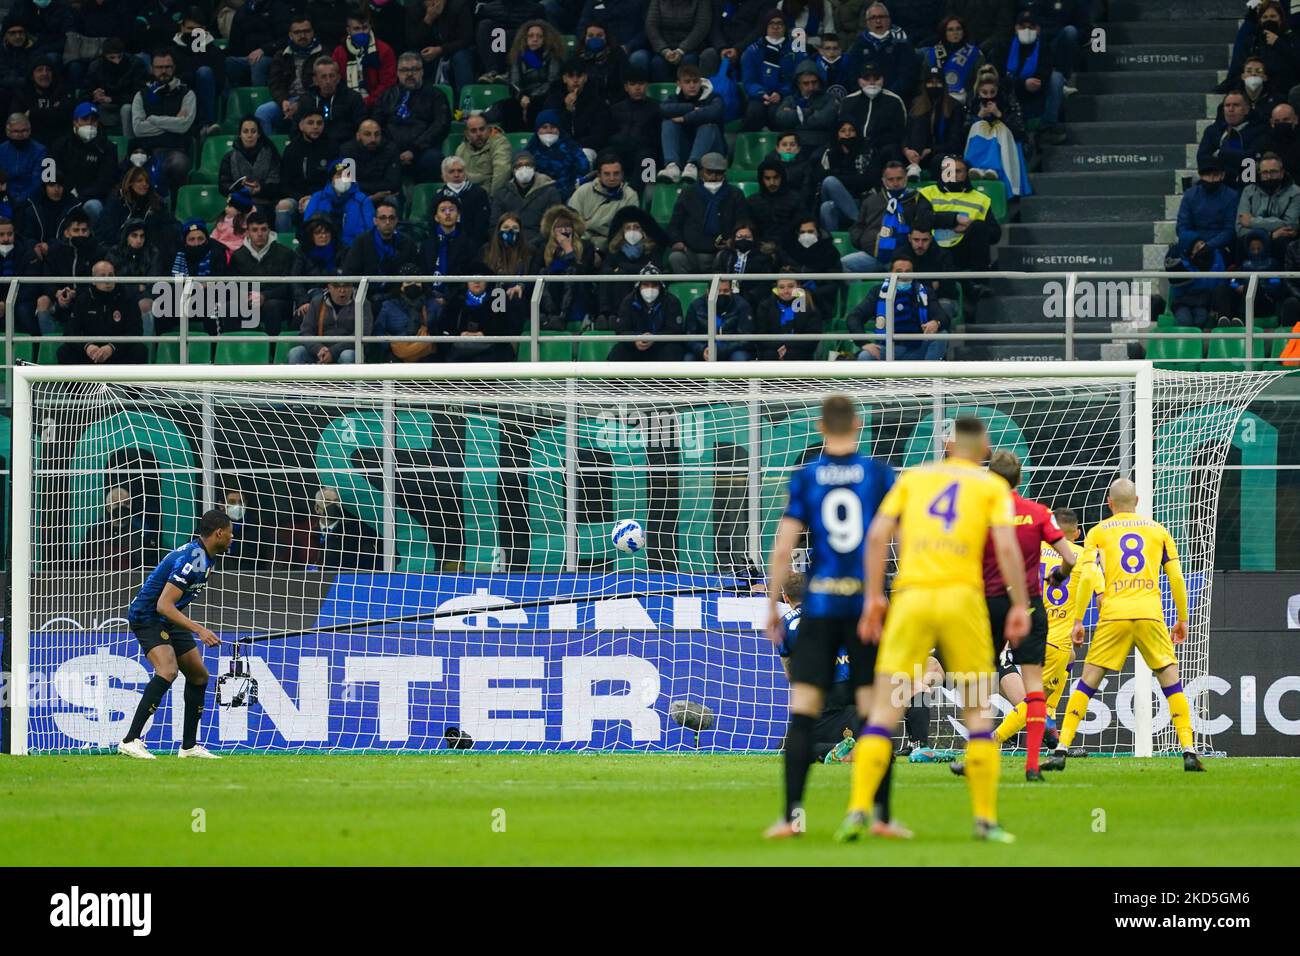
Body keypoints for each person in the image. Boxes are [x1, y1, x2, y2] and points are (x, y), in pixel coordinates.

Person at [843, 415, 1028, 843]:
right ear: (982, 450)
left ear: (946, 445)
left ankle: (857, 810)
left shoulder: (914, 478)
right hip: (963, 601)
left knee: (885, 709)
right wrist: (1019, 604)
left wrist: (874, 596)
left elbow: (876, 538)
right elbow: (1004, 546)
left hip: (911, 598)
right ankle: (984, 820)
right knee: (978, 713)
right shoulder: (991, 488)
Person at [763, 394, 900, 839]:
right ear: (858, 426)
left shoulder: (806, 477)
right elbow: (886, 537)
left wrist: (771, 605)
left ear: (821, 428)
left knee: (802, 710)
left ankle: (791, 819)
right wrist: (880, 596)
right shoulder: (877, 475)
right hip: (861, 606)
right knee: (871, 711)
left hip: (819, 607)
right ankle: (880, 818)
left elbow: (784, 546)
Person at [1045, 478, 1202, 773]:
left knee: (1087, 681)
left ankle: (1062, 749)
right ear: (1138, 501)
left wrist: (1078, 620)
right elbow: (1177, 578)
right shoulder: (1158, 531)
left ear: (1109, 503)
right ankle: (1188, 749)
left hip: (1114, 614)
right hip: (1149, 613)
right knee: (1171, 679)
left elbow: (1089, 577)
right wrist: (1182, 618)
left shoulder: (1098, 532)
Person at [942, 450, 1077, 781]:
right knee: (1033, 689)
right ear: (1019, 479)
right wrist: (1058, 576)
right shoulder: (1038, 513)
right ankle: (1032, 767)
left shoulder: (980, 514)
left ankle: (976, 756)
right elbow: (1070, 558)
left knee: (977, 682)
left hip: (989, 604)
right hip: (1029, 604)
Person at [118, 508, 234, 760]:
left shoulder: (207, 557)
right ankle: (130, 740)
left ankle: (189, 747)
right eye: (230, 533)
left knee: (199, 675)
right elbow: (163, 604)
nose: (232, 537)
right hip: (148, 615)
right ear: (218, 533)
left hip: (168, 618)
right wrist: (200, 629)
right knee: (168, 670)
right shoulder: (194, 560)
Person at [986, 506, 1094, 756]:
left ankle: (1055, 743)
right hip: (1053, 638)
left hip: (1026, 633)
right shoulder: (1081, 556)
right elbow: (1094, 586)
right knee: (1034, 701)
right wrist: (1079, 620)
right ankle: (993, 740)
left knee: (1068, 662)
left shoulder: (1032, 553)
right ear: (1076, 534)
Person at [983, 7, 1064, 145]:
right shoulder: (1003, 47)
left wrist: (1033, 84)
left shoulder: (1044, 48)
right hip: (1007, 98)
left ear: (1038, 29)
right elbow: (996, 78)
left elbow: (1043, 76)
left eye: (1031, 27)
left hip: (1035, 96)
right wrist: (1022, 84)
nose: (1027, 30)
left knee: (1056, 78)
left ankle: (1046, 129)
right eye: (1022, 26)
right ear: (1016, 28)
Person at [53, 259, 146, 364]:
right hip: (90, 353)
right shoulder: (83, 300)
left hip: (117, 352)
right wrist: (87, 347)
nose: (107, 280)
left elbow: (135, 331)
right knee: (64, 352)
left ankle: (124, 381)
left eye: (111, 275)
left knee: (139, 350)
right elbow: (70, 331)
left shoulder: (128, 298)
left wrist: (112, 348)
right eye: (102, 276)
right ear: (93, 280)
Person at [376, 52, 450, 185]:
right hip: (391, 151)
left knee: (433, 159)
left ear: (422, 72)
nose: (410, 74)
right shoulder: (387, 95)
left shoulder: (435, 95)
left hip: (422, 151)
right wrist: (392, 150)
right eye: (404, 70)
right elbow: (377, 124)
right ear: (397, 73)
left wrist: (414, 149)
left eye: (414, 69)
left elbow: (440, 125)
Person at [130, 50, 197, 192]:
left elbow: (183, 126)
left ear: (174, 68)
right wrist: (173, 122)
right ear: (152, 69)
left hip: (175, 150)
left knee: (179, 163)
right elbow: (138, 128)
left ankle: (175, 205)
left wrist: (153, 119)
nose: (164, 71)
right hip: (146, 151)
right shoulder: (141, 95)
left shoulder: (187, 94)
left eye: (168, 67)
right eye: (159, 68)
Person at [667, 151, 745, 273]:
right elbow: (675, 223)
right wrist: (677, 241)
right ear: (701, 172)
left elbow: (742, 222)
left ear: (724, 173)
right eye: (709, 172)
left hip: (722, 252)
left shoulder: (735, 194)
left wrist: (733, 240)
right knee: (676, 258)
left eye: (718, 173)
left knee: (730, 259)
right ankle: (689, 291)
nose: (713, 177)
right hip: (691, 251)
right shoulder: (688, 193)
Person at [962, 66, 1030, 197]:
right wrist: (978, 116)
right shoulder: (972, 102)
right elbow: (963, 132)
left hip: (1007, 139)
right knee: (979, 125)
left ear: (998, 91)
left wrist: (1000, 115)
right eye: (984, 93)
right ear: (978, 92)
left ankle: (993, 168)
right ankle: (976, 168)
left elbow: (1020, 130)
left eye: (992, 92)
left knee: (999, 128)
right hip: (980, 134)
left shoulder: (1007, 101)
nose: (988, 97)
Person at [227, 211, 297, 335]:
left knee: (271, 306)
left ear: (269, 230)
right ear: (247, 232)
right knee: (229, 307)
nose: (260, 234)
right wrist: (247, 296)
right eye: (255, 230)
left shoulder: (285, 253)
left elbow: (289, 286)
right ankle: (231, 349)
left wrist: (265, 296)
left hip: (278, 302)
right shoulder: (238, 256)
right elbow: (232, 285)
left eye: (263, 229)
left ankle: (273, 350)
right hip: (248, 301)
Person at [341, 198, 419, 306]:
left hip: (398, 298)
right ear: (375, 221)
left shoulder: (407, 243)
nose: (387, 222)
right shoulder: (361, 242)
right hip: (365, 297)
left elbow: (413, 274)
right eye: (383, 218)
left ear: (396, 220)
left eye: (391, 218)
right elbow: (349, 273)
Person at [843, 160, 917, 272]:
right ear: (883, 180)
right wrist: (862, 241)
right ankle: (860, 290)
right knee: (842, 264)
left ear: (906, 178)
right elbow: (858, 226)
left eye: (899, 178)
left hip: (902, 259)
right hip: (871, 254)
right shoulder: (870, 201)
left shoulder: (916, 199)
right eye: (891, 179)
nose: (896, 183)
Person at [657, 62, 725, 184]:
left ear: (701, 82)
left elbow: (713, 112)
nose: (692, 85)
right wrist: (691, 108)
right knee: (668, 122)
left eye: (695, 81)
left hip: (712, 151)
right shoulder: (674, 99)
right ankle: (672, 166)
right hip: (686, 149)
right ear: (679, 84)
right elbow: (662, 110)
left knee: (708, 125)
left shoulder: (714, 97)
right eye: (687, 82)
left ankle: (692, 165)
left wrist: (685, 118)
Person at [50, 103, 117, 224]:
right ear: (75, 122)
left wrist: (80, 195)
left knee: (94, 207)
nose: (90, 124)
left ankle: (97, 240)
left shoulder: (108, 148)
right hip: (63, 195)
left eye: (94, 120)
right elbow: (51, 173)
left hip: (92, 198)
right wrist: (66, 191)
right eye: (85, 119)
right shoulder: (60, 145)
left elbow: (106, 181)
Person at [495, 19, 565, 132]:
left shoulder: (552, 57)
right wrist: (522, 96)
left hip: (544, 96)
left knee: (539, 105)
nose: (535, 39)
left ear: (545, 39)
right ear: (525, 39)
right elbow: (514, 82)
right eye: (531, 36)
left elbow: (552, 82)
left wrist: (531, 97)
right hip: (523, 97)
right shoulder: (519, 56)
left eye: (539, 36)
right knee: (509, 105)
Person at [259, 15, 324, 134]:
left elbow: (323, 87)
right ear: (290, 35)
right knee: (263, 112)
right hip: (287, 100)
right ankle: (268, 150)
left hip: (313, 101)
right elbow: (275, 83)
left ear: (313, 32)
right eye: (297, 32)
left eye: (306, 31)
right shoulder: (281, 55)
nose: (302, 36)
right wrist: (283, 100)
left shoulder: (323, 55)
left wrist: (301, 104)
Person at [567, 152, 640, 252]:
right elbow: (570, 221)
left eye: (616, 173)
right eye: (606, 174)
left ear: (622, 174)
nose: (612, 178)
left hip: (609, 246)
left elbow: (625, 230)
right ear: (598, 175)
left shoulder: (630, 195)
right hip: (579, 242)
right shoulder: (583, 191)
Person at [609, 265, 686, 360]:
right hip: (635, 346)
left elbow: (675, 330)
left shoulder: (671, 301)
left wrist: (655, 338)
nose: (650, 289)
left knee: (673, 350)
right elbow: (621, 330)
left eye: (654, 285)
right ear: (639, 285)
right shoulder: (628, 301)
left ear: (661, 286)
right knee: (619, 351)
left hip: (661, 346)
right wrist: (635, 339)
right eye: (645, 284)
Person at [290, 278, 374, 365]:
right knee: (296, 353)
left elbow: (363, 333)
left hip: (346, 350)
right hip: (320, 352)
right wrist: (318, 349)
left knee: (347, 356)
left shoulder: (362, 304)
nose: (342, 290)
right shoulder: (317, 302)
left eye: (346, 286)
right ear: (329, 287)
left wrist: (333, 352)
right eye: (337, 286)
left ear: (352, 287)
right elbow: (305, 332)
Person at [904, 65, 967, 181]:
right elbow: (906, 132)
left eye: (938, 82)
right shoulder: (916, 104)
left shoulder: (954, 107)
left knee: (939, 161)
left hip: (943, 152)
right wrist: (907, 150)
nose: (934, 86)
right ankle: (914, 166)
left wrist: (932, 150)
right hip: (917, 153)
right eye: (930, 82)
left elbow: (955, 142)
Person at [440, 275, 524, 361]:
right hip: (460, 350)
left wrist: (485, 335)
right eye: (472, 277)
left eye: (481, 277)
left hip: (490, 349)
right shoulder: (456, 299)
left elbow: (505, 329)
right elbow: (445, 328)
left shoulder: (498, 298)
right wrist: (460, 335)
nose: (477, 281)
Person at [815, 119, 879, 232]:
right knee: (830, 182)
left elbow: (867, 181)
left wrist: (839, 177)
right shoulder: (829, 153)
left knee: (827, 207)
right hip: (831, 195)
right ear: (837, 134)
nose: (847, 134)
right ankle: (859, 224)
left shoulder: (866, 152)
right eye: (843, 131)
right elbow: (822, 178)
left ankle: (835, 245)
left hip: (858, 200)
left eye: (851, 130)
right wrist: (849, 180)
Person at [1235, 151, 1300, 261]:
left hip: (1281, 242)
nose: (1269, 176)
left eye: (1274, 172)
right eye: (1265, 172)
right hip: (1258, 239)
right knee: (1241, 242)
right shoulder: (1248, 191)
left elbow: (1290, 227)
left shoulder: (1296, 192)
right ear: (1260, 174)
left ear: (1282, 172)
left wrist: (1252, 222)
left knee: (1283, 241)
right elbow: (1240, 228)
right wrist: (1271, 235)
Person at [542, 54, 613, 154]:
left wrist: (575, 146)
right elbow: (548, 127)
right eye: (571, 76)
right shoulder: (554, 99)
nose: (575, 80)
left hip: (586, 148)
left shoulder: (596, 99)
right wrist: (567, 111)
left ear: (585, 78)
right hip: (559, 147)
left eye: (579, 76)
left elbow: (600, 134)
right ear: (564, 78)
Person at [490, 150, 563, 247]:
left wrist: (533, 244)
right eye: (519, 165)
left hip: (539, 245)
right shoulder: (502, 193)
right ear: (513, 170)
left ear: (534, 168)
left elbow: (553, 224)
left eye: (528, 165)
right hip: (508, 242)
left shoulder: (550, 192)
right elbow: (494, 224)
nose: (524, 168)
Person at [278, 108, 333, 234]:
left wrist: (314, 197)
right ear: (301, 126)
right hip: (296, 197)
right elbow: (285, 184)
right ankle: (285, 245)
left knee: (311, 205)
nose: (315, 127)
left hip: (323, 196)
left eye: (319, 123)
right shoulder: (291, 149)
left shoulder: (331, 148)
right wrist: (300, 197)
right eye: (310, 123)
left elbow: (334, 181)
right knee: (282, 207)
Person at [740, 9, 796, 131]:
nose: (775, 27)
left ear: (785, 27)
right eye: (771, 24)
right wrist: (762, 94)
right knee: (753, 112)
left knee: (778, 113)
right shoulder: (752, 51)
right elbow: (749, 81)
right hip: (759, 95)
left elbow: (795, 79)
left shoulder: (794, 51)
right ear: (765, 26)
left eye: (779, 24)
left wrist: (780, 93)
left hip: (784, 95)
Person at [1197, 91, 1266, 190]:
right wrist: (1237, 156)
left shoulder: (1259, 131)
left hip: (1247, 186)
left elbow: (1250, 160)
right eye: (1227, 105)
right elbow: (1202, 159)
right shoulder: (1212, 131)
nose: (1231, 109)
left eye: (1236, 105)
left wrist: (1221, 153)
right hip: (1215, 185)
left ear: (1247, 109)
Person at [331, 9, 397, 111]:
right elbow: (335, 81)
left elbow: (388, 83)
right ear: (348, 30)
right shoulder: (339, 53)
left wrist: (367, 101)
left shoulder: (384, 50)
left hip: (377, 104)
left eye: (365, 28)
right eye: (356, 29)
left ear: (370, 27)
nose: (361, 32)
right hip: (346, 104)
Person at [302, 159, 377, 247]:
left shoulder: (363, 201)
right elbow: (308, 227)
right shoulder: (317, 198)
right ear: (331, 179)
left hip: (353, 250)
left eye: (346, 175)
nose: (343, 178)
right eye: (339, 174)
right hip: (325, 248)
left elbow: (371, 230)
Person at [1175, 154, 1238, 260]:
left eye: (1215, 175)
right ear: (1201, 176)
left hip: (1220, 246)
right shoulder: (1190, 195)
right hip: (1192, 244)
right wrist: (1195, 243)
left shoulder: (1231, 196)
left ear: (1222, 175)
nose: (1211, 179)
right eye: (1207, 175)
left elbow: (1229, 230)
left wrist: (1208, 246)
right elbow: (1182, 227)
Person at [406, 0, 476, 93]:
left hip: (454, 50)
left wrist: (441, 50)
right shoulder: (413, 9)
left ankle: (466, 99)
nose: (434, 2)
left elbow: (466, 39)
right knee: (412, 57)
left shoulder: (459, 6)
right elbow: (413, 41)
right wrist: (428, 19)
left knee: (461, 57)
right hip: (426, 52)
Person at [301, 56, 367, 153]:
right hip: (314, 150)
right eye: (323, 77)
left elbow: (361, 128)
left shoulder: (353, 98)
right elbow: (297, 128)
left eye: (331, 76)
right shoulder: (307, 100)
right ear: (315, 80)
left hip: (345, 150)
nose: (328, 81)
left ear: (338, 78)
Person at [219, 117, 283, 217]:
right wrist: (242, 188)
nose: (249, 135)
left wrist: (261, 188)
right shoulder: (229, 158)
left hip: (266, 204)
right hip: (238, 204)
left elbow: (277, 184)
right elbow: (223, 186)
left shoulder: (271, 155)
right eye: (245, 131)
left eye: (253, 131)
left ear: (258, 134)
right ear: (240, 134)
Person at [375, 268, 442, 362]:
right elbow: (378, 332)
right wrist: (391, 346)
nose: (413, 285)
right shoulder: (389, 306)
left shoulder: (432, 303)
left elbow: (439, 329)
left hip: (427, 354)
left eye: (417, 282)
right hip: (396, 355)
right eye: (408, 282)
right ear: (401, 286)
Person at [639, 0, 714, 83]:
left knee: (688, 61)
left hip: (692, 48)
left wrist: (681, 50)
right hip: (664, 48)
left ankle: (686, 94)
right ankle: (665, 94)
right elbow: (651, 26)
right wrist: (664, 50)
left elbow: (702, 27)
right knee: (657, 63)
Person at [84, 38, 148, 133]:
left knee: (126, 109)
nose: (117, 61)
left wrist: (112, 99)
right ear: (105, 56)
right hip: (103, 106)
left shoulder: (135, 65)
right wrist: (94, 95)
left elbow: (140, 94)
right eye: (112, 57)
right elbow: (84, 93)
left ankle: (128, 142)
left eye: (119, 57)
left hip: (128, 105)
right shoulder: (96, 67)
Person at [753, 275, 825, 359]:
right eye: (781, 287)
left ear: (798, 286)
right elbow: (761, 337)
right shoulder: (765, 307)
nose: (786, 291)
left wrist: (786, 346)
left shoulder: (809, 307)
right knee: (770, 355)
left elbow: (812, 338)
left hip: (799, 352)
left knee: (792, 354)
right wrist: (780, 347)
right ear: (776, 289)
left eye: (791, 286)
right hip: (772, 350)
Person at [712, 220, 775, 312]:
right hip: (727, 295)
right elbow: (717, 273)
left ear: (754, 238)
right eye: (739, 237)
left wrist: (750, 296)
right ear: (734, 238)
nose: (743, 240)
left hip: (753, 300)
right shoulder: (724, 255)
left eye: (747, 237)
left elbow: (764, 284)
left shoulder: (763, 258)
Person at [528, 109, 591, 201]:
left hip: (569, 194)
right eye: (544, 127)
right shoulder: (531, 149)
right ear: (537, 129)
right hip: (539, 196)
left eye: (553, 127)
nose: (549, 131)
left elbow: (583, 167)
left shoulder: (570, 146)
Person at [311, 486, 380, 571]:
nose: (333, 506)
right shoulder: (307, 531)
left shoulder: (357, 532)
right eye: (327, 502)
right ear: (317, 508)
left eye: (336, 502)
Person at [684, 277, 753, 360]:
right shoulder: (696, 306)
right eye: (717, 291)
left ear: (731, 291)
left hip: (732, 350)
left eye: (726, 291)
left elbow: (744, 340)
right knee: (689, 359)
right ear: (708, 292)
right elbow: (690, 337)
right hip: (704, 350)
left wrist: (719, 351)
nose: (721, 294)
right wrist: (703, 350)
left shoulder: (742, 306)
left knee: (740, 358)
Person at [922, 15, 984, 106]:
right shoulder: (932, 53)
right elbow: (924, 79)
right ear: (944, 33)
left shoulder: (975, 54)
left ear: (963, 32)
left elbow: (980, 82)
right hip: (935, 101)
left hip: (966, 101)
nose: (955, 32)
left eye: (958, 29)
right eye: (950, 30)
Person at [339, 118, 402, 205]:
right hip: (357, 195)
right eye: (367, 134)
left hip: (383, 196)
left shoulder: (391, 150)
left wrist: (360, 185)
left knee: (391, 200)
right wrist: (371, 198)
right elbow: (346, 183)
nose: (373, 139)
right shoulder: (346, 151)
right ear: (358, 136)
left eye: (377, 134)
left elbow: (393, 184)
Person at [436, 155, 493, 248]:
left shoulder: (479, 193)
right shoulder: (439, 197)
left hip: (475, 245)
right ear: (444, 176)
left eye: (460, 171)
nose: (456, 175)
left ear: (465, 173)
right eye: (451, 171)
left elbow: (483, 224)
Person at [457, 113, 513, 197]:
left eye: (482, 129)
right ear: (467, 134)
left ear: (489, 129)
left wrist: (492, 198)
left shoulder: (500, 143)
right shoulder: (461, 149)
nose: (479, 134)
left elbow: (502, 172)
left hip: (492, 196)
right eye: (473, 131)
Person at [0, 112, 47, 205]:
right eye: (16, 131)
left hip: (31, 200)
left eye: (24, 130)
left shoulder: (40, 150)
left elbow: (37, 183)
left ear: (30, 130)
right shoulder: (1, 150)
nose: (20, 135)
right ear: (8, 132)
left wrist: (19, 199)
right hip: (5, 197)